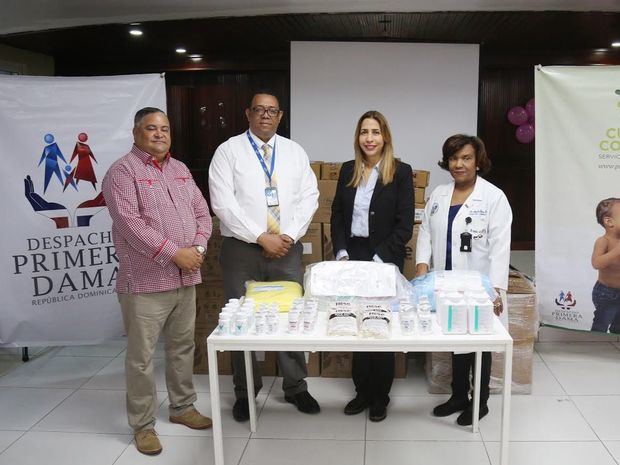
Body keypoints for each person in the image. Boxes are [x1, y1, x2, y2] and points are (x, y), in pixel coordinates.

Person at [102, 107, 213, 456]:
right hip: (146, 283)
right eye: (151, 128)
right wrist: (173, 252)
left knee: (182, 348)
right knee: (141, 358)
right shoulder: (121, 172)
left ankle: (182, 407)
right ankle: (143, 425)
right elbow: (130, 225)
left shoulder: (180, 170)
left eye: (165, 128)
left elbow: (201, 212)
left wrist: (196, 246)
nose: (159, 134)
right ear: (136, 133)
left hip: (186, 277)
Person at [209, 90, 321, 422]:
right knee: (241, 321)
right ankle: (245, 393)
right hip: (242, 249)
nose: (265, 116)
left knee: (291, 316)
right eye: (259, 110)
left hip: (286, 248)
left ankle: (296, 386)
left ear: (280, 116)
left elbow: (309, 196)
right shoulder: (228, 151)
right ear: (248, 113)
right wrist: (260, 236)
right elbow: (223, 204)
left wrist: (288, 235)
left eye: (272, 111)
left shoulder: (294, 152)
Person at [415, 134, 512, 426]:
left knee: (479, 341)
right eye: (454, 158)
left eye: (466, 158)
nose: (459, 164)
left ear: (478, 161)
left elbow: (500, 246)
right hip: (445, 282)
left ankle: (479, 402)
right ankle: (458, 396)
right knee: (457, 336)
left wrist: (496, 291)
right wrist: (421, 265)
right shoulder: (439, 194)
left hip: (480, 285)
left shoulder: (494, 197)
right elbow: (426, 233)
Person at [331, 110, 414, 422]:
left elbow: (404, 225)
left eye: (375, 132)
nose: (369, 138)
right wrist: (341, 252)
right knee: (355, 324)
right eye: (364, 132)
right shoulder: (348, 170)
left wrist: (379, 259)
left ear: (385, 137)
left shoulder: (401, 172)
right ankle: (361, 392)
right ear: (358, 137)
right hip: (352, 255)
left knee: (380, 327)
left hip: (384, 258)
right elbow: (338, 215)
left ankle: (380, 395)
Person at [590, 198, 620, 333]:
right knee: (601, 322)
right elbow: (596, 263)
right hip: (606, 293)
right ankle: (595, 342)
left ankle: (615, 339)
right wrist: (616, 252)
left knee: (618, 324)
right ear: (609, 222)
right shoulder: (603, 241)